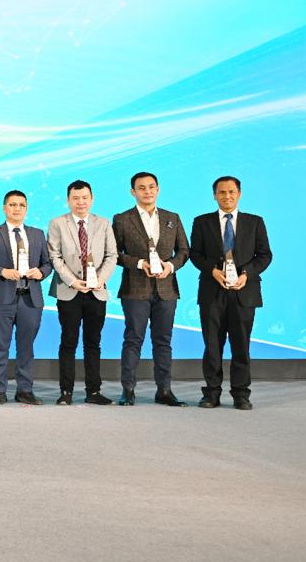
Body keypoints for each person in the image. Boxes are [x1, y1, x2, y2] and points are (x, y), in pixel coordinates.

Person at [189, 176, 273, 410]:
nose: (227, 196)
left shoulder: (255, 222)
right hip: (212, 291)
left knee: (241, 345)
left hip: (244, 292)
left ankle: (241, 394)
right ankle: (211, 393)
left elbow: (265, 255)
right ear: (214, 195)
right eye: (222, 192)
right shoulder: (202, 222)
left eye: (231, 192)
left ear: (239, 194)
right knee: (212, 346)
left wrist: (246, 274)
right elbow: (195, 254)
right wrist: (213, 271)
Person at [111, 171, 190, 406]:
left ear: (158, 189)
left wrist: (171, 266)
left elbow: (184, 251)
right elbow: (114, 253)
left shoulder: (172, 217)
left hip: (166, 289)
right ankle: (128, 390)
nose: (147, 191)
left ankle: (164, 390)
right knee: (133, 339)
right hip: (135, 288)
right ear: (133, 192)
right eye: (142, 188)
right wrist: (138, 263)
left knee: (163, 341)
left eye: (151, 187)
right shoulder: (122, 219)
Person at [0, 190, 52, 405]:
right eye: (12, 204)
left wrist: (41, 273)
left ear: (26, 209)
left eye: (21, 205)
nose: (17, 208)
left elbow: (47, 264)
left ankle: (25, 390)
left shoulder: (37, 234)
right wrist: (2, 271)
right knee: (0, 347)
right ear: (4, 208)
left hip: (30, 299)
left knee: (26, 348)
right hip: (2, 299)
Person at [46, 180, 118, 405]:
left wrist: (101, 280)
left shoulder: (104, 223)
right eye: (76, 198)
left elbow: (112, 255)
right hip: (69, 291)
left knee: (93, 342)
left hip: (96, 292)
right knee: (68, 341)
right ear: (68, 200)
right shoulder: (57, 223)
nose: (81, 202)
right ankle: (66, 391)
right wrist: (72, 281)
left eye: (85, 197)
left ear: (92, 199)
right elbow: (54, 256)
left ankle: (93, 392)